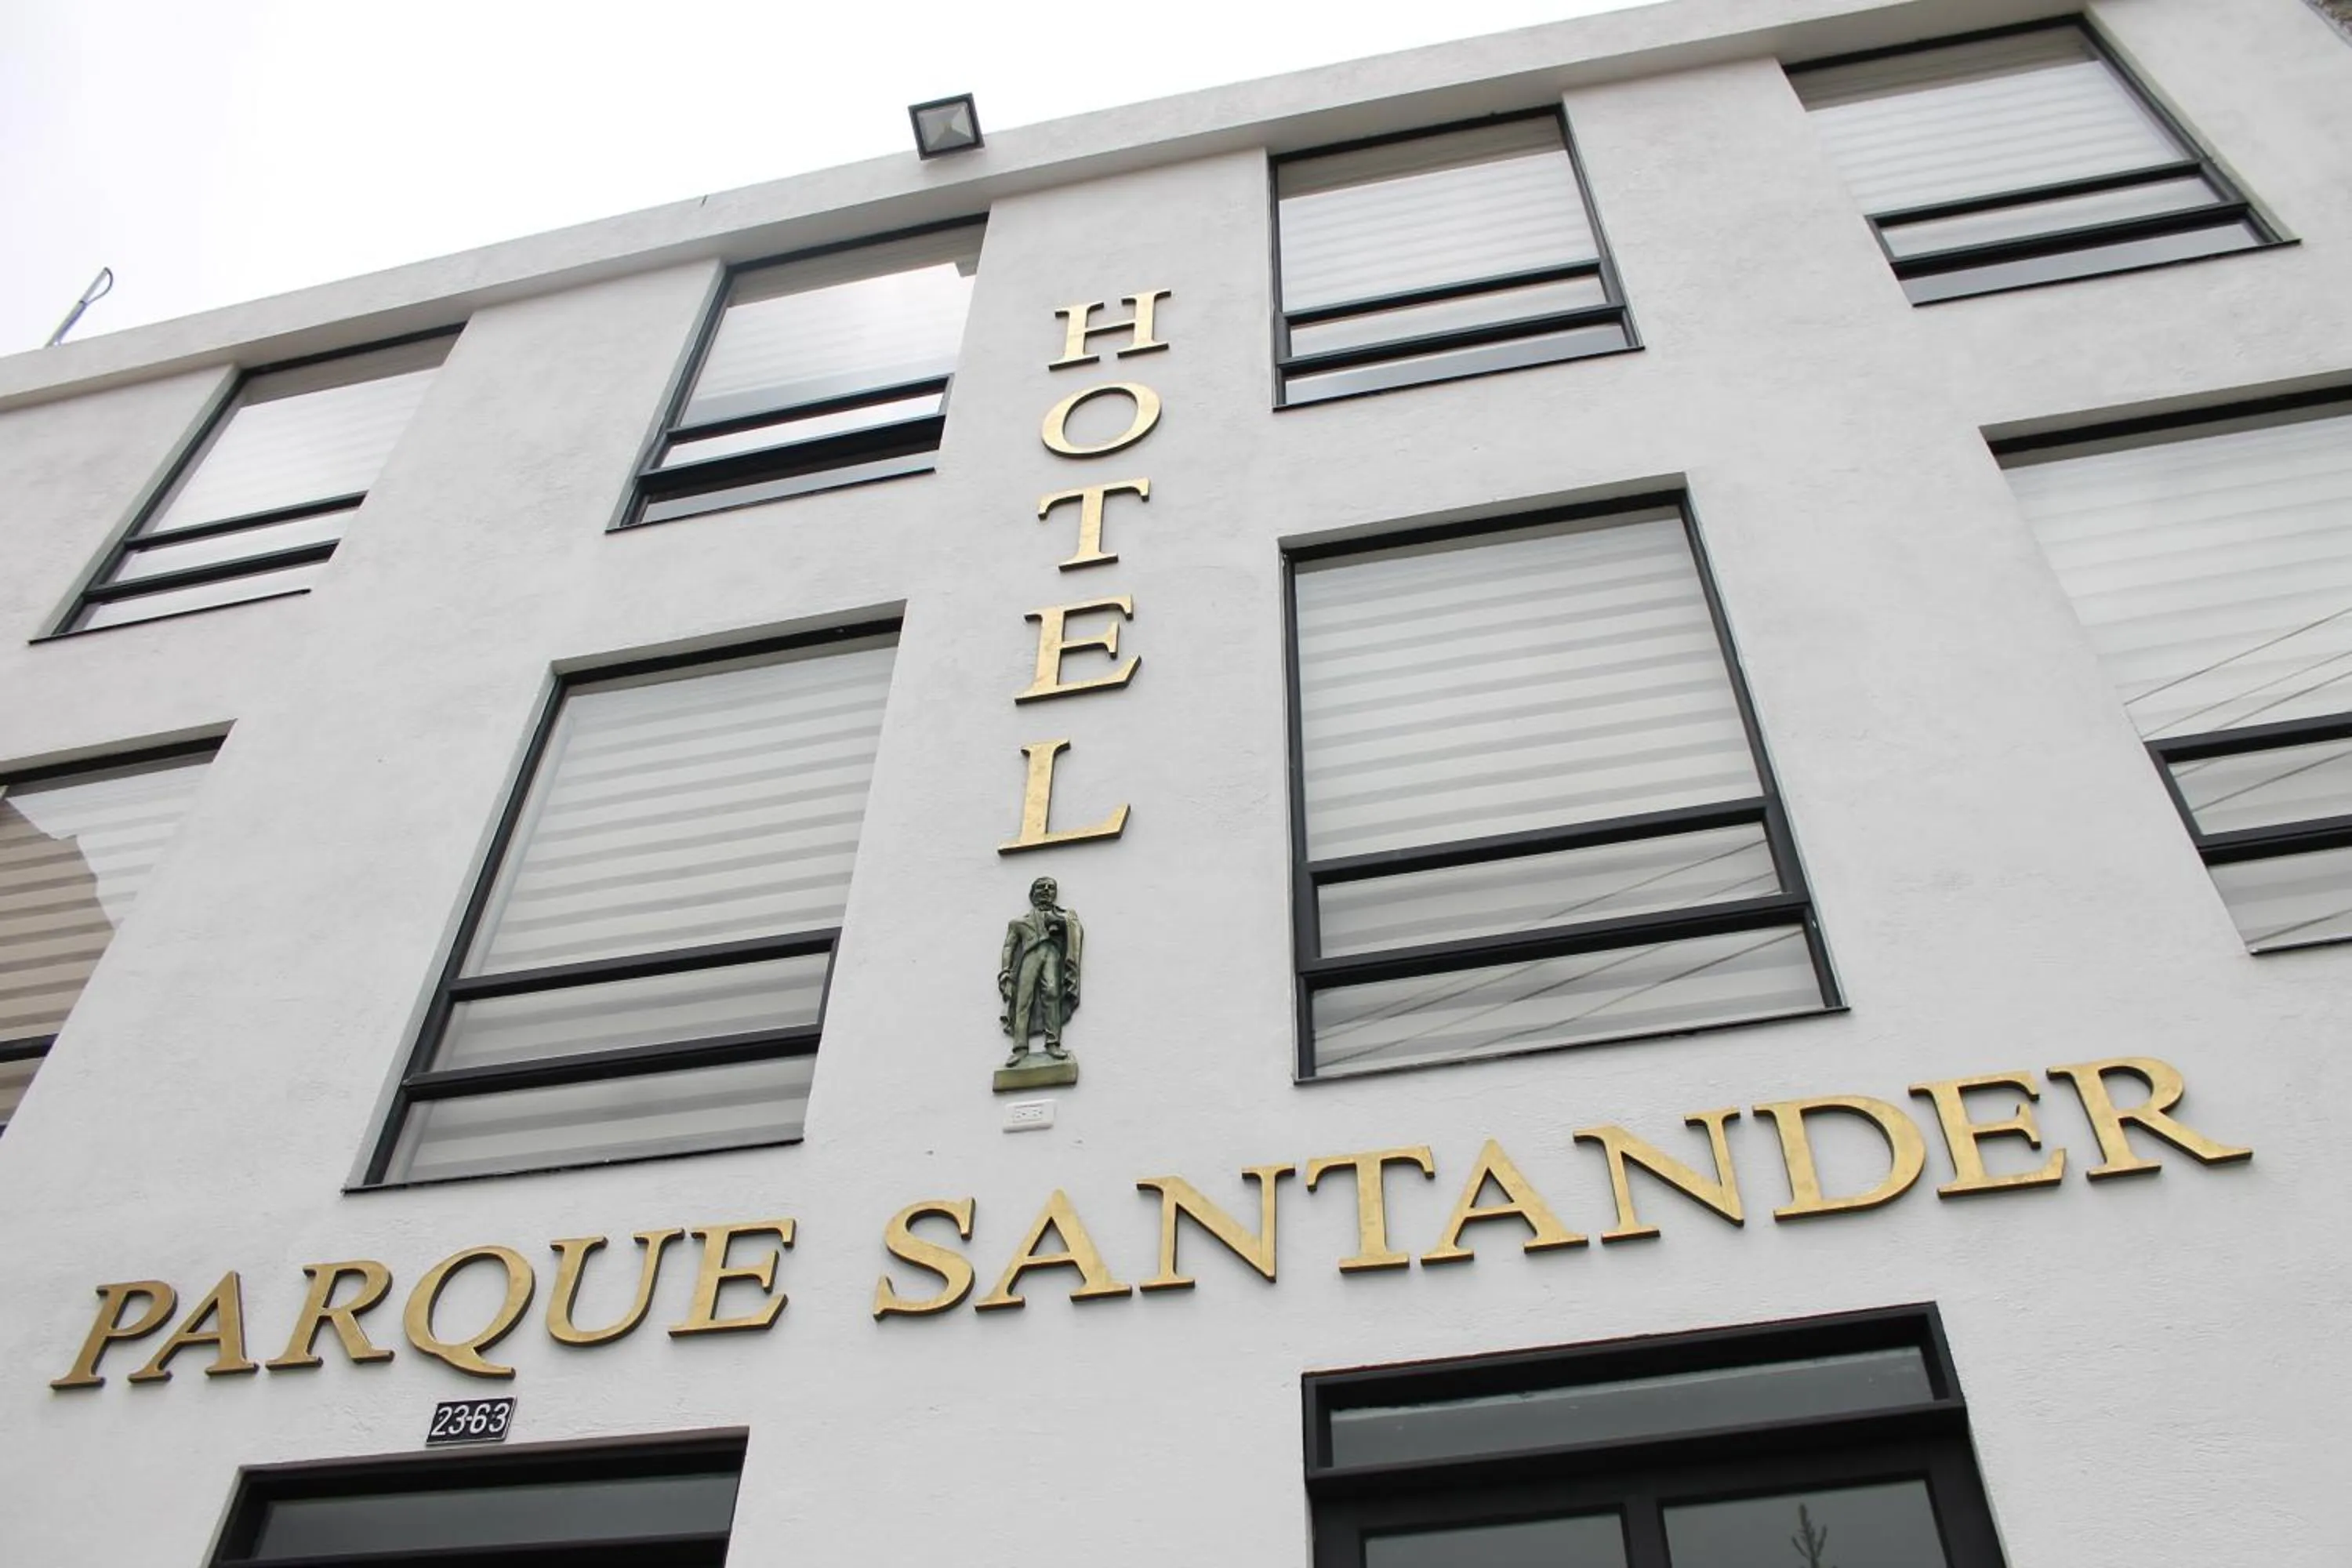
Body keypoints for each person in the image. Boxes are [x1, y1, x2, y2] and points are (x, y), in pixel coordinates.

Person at [998, 877, 1083, 1066]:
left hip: (1051, 954)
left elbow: (1074, 929)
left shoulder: (1062, 916)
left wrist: (1062, 923)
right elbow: (1009, 947)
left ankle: (1053, 1043)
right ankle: (1020, 1048)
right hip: (1029, 957)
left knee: (1052, 993)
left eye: (1050, 888)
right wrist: (1005, 971)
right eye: (1041, 887)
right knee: (1023, 1000)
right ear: (1032, 894)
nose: (1046, 890)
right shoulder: (1018, 922)